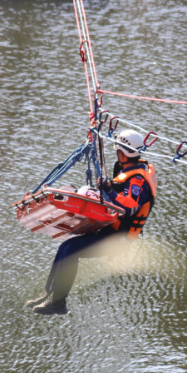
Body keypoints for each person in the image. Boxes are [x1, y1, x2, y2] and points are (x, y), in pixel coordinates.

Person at [27, 129, 157, 315]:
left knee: (71, 251)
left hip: (117, 239)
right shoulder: (129, 171)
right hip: (109, 230)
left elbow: (129, 208)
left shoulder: (138, 180)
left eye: (118, 152)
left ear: (123, 153)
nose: (117, 155)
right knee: (66, 247)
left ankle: (58, 303)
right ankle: (50, 294)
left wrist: (110, 191)